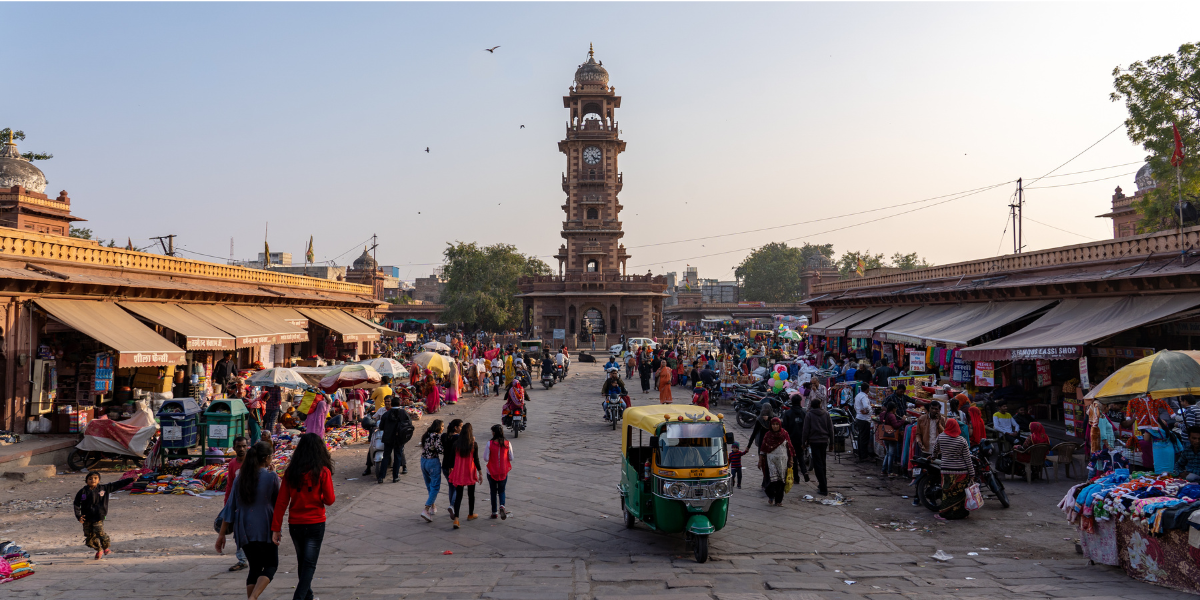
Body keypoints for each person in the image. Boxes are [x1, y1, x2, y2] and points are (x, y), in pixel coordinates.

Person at [271, 433, 335, 600]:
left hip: (296, 524)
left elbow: (281, 502)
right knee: (309, 564)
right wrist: (318, 497)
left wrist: (276, 528)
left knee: (303, 562)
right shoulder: (323, 472)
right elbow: (330, 500)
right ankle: (299, 597)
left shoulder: (291, 472)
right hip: (315, 522)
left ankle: (308, 595)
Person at [216, 440, 279, 600]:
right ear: (266, 458)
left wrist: (221, 535)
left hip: (243, 529)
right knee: (271, 565)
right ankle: (253, 597)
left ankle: (251, 598)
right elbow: (278, 502)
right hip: (265, 527)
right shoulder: (271, 477)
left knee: (255, 567)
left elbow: (229, 508)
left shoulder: (240, 478)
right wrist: (274, 474)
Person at [73, 471, 135, 560]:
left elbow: (118, 484)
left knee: (100, 532)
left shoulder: (104, 488)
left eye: (95, 478)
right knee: (89, 538)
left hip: (99, 516)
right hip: (86, 518)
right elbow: (76, 504)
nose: (93, 480)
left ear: (99, 480)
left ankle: (106, 548)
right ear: (86, 481)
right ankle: (99, 549)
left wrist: (130, 479)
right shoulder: (82, 491)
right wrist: (78, 516)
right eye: (90, 479)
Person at [932, 419, 975, 521]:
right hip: (961, 472)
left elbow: (935, 450)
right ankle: (961, 514)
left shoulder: (941, 437)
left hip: (946, 471)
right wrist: (972, 473)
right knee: (960, 494)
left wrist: (933, 457)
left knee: (947, 494)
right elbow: (967, 459)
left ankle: (945, 515)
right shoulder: (962, 440)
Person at [224, 436, 251, 572]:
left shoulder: (252, 462)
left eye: (244, 446)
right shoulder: (232, 464)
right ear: (234, 448)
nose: (241, 449)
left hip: (252, 504)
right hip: (238, 505)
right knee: (239, 533)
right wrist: (227, 505)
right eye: (239, 446)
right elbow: (229, 486)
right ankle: (242, 560)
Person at [448, 423, 483, 529]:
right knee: (471, 494)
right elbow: (476, 460)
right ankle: (470, 514)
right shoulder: (473, 444)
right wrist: (480, 473)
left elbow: (451, 459)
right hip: (470, 471)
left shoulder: (456, 444)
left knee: (459, 496)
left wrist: (451, 470)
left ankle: (456, 519)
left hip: (459, 472)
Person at [760, 418, 796, 507]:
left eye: (777, 424)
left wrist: (791, 460)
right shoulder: (768, 435)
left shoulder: (785, 434)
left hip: (782, 461)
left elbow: (790, 448)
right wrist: (760, 460)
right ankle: (771, 496)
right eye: (773, 424)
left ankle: (779, 501)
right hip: (771, 460)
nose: (775, 426)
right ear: (770, 425)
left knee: (781, 481)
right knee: (772, 480)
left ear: (780, 425)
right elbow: (763, 448)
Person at [377, 397, 414, 483]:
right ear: (399, 404)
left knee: (386, 456)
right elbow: (409, 424)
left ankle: (381, 477)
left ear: (391, 404)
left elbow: (381, 427)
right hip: (399, 439)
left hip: (388, 438)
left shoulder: (386, 414)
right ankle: (395, 477)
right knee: (397, 456)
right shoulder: (403, 413)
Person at [801, 398, 833, 496]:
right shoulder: (826, 414)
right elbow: (831, 429)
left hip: (814, 441)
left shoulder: (809, 415)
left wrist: (803, 442)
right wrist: (832, 443)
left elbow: (806, 430)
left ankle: (823, 488)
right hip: (824, 441)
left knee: (818, 464)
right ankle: (823, 484)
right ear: (819, 405)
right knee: (822, 463)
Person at [485, 424, 514, 519]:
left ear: (493, 433)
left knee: (493, 491)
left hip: (492, 471)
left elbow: (485, 458)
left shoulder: (490, 443)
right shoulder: (507, 443)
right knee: (502, 490)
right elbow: (511, 457)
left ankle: (494, 512)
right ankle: (502, 506)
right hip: (503, 470)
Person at [419, 420, 445, 522]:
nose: (443, 428)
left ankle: (433, 506)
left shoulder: (426, 435)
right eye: (442, 426)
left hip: (423, 461)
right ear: (438, 427)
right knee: (435, 486)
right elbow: (440, 450)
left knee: (429, 484)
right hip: (432, 462)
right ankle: (426, 509)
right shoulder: (436, 436)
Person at [780, 398, 809, 483]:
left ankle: (796, 478)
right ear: (800, 402)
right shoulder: (804, 413)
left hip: (791, 439)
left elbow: (784, 427)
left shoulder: (787, 413)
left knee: (793, 458)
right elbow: (807, 427)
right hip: (801, 438)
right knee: (801, 456)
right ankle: (804, 472)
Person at [441, 419, 463, 511]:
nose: (461, 428)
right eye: (461, 426)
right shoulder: (458, 438)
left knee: (451, 486)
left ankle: (452, 507)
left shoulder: (444, 436)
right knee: (457, 487)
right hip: (454, 466)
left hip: (445, 464)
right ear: (456, 427)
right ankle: (452, 505)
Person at [879, 403, 904, 476]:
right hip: (891, 436)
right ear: (893, 409)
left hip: (885, 435)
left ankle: (884, 470)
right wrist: (903, 420)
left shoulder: (883, 414)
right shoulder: (891, 415)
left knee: (887, 453)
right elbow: (895, 426)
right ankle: (890, 471)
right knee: (891, 454)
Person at [852, 382, 873, 461]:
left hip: (859, 418)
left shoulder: (858, 395)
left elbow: (855, 406)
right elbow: (865, 406)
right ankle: (864, 456)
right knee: (864, 438)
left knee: (861, 437)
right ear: (867, 389)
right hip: (864, 419)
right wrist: (867, 411)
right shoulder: (863, 396)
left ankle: (861, 454)